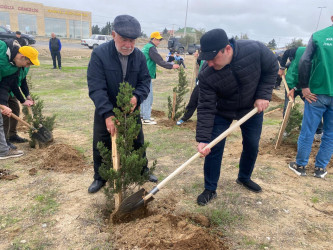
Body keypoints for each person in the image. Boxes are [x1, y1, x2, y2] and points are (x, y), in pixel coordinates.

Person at [195, 29, 278, 205]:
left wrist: (263, 95)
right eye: (206, 59)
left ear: (227, 49)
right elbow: (205, 106)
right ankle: (210, 188)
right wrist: (203, 139)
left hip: (250, 108)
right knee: (214, 147)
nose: (209, 63)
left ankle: (244, 177)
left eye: (212, 58)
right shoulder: (206, 74)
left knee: (252, 144)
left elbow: (272, 68)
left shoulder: (255, 49)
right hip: (222, 110)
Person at [87, 15, 158, 194]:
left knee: (137, 140)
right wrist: (107, 114)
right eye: (124, 39)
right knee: (102, 141)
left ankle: (142, 170)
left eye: (132, 41)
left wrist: (136, 98)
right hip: (107, 108)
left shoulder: (140, 57)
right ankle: (100, 177)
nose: (128, 45)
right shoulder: (100, 54)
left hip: (130, 108)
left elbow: (144, 82)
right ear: (113, 35)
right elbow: (96, 87)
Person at [288, 16, 333, 179]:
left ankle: (300, 165)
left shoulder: (318, 36)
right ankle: (320, 169)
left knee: (309, 129)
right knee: (330, 133)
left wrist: (304, 87)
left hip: (316, 94)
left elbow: (304, 60)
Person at [0, 40, 39, 159]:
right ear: (22, 57)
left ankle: (5, 144)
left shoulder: (15, 68)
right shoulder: (2, 48)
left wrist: (3, 103)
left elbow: (6, 85)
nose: (26, 67)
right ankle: (3, 150)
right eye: (27, 63)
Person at [279, 47, 323, 140]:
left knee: (313, 106)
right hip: (291, 82)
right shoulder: (300, 50)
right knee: (288, 106)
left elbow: (307, 77)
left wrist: (296, 88)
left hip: (306, 87)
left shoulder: (319, 62)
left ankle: (319, 131)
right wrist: (282, 67)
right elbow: (286, 52)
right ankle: (286, 130)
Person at [140, 31, 179, 125]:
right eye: (158, 39)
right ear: (153, 39)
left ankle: (142, 115)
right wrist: (171, 66)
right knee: (148, 96)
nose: (159, 41)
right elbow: (160, 61)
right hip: (146, 74)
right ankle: (146, 118)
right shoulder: (151, 48)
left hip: (143, 73)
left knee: (146, 95)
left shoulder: (147, 46)